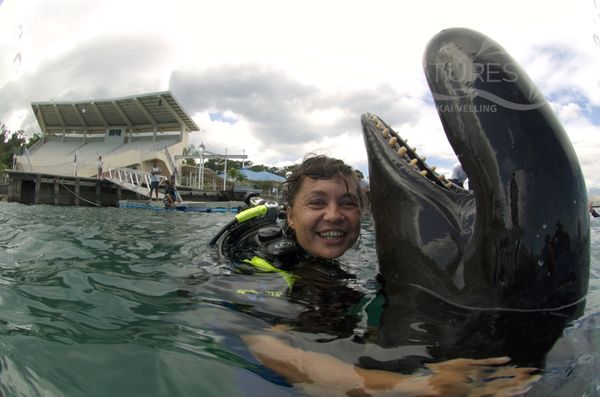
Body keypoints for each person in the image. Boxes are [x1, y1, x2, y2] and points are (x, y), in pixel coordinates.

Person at [209, 154, 539, 395]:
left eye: (348, 203)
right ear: (291, 217)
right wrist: (423, 387)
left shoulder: (337, 269)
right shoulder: (262, 263)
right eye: (316, 203)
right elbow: (271, 348)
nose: (334, 215)